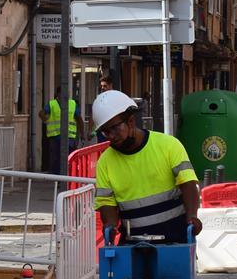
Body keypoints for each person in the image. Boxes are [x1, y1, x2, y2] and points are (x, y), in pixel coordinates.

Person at [91, 90, 202, 243]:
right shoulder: (105, 162)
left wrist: (192, 217)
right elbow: (106, 203)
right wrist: (109, 226)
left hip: (175, 240)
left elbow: (188, 184)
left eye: (114, 128)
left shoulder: (168, 145)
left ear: (131, 121)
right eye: (105, 131)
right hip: (132, 244)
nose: (110, 136)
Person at [39, 87, 84, 175]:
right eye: (64, 93)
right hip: (55, 137)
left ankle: (68, 177)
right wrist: (45, 118)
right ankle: (58, 179)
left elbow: (79, 119)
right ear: (58, 94)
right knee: (56, 159)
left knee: (69, 158)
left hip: (69, 137)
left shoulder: (72, 103)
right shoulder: (52, 104)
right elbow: (41, 113)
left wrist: (82, 134)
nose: (66, 95)